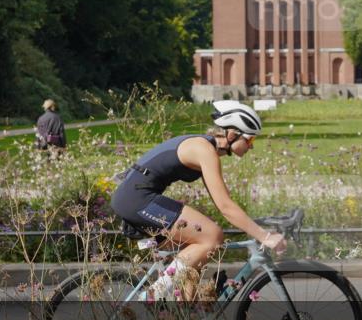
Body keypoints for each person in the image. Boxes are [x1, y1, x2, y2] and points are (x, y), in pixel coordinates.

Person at [110, 100, 286, 301]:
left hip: (134, 197)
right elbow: (226, 207)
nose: (251, 147)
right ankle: (151, 296)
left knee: (194, 257)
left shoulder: (204, 147)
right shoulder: (204, 150)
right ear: (233, 133)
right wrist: (265, 236)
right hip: (137, 199)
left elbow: (223, 202)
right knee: (212, 236)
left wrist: (256, 226)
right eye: (250, 140)